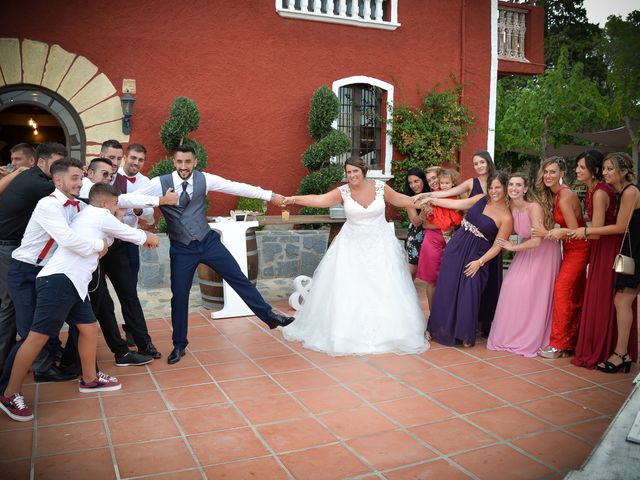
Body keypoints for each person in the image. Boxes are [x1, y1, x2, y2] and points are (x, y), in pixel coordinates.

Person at [0, 183, 159, 422]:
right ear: (105, 204)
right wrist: (148, 236)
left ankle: (89, 379)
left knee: (88, 328)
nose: (118, 209)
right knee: (36, 337)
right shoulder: (98, 214)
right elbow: (129, 233)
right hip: (60, 280)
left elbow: (110, 237)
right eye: (115, 205)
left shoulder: (87, 213)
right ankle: (9, 394)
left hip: (74, 282)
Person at [131, 144, 294, 364]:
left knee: (239, 278)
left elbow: (237, 187)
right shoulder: (159, 183)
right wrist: (160, 201)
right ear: (174, 162)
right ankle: (179, 345)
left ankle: (270, 317)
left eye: (188, 162)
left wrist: (270, 195)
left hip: (208, 242)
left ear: (195, 162)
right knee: (179, 296)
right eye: (179, 162)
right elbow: (127, 199)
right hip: (182, 248)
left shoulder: (204, 179)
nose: (184, 166)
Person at [280, 158, 428, 355]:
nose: (352, 175)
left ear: (363, 170)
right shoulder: (343, 191)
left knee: (384, 287)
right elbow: (320, 199)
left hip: (380, 246)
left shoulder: (380, 187)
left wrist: (427, 200)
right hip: (351, 248)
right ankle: (345, 333)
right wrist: (294, 199)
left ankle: (391, 333)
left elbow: (401, 199)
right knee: (350, 288)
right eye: (348, 172)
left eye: (355, 171)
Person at [0, 143, 70, 380]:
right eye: (57, 164)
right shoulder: (37, 184)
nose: (61, 170)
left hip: (13, 248)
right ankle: (34, 365)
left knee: (18, 308)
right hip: (9, 250)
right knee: (15, 309)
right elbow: (75, 196)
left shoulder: (33, 178)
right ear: (41, 163)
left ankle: (28, 359)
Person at [423, 171, 512, 347]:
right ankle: (438, 327)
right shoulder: (481, 199)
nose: (493, 191)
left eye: (498, 188)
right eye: (491, 187)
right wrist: (430, 199)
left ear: (505, 189)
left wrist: (480, 262)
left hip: (478, 255)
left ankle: (464, 332)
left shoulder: (506, 217)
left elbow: (497, 246)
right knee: (447, 288)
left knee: (469, 292)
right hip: (456, 248)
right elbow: (455, 203)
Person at [571, 152, 639, 373]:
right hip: (630, 249)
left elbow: (620, 227)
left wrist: (586, 231)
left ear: (624, 171)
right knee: (621, 300)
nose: (606, 172)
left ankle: (621, 354)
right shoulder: (621, 192)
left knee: (622, 301)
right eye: (606, 168)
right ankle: (622, 353)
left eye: (611, 169)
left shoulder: (630, 192)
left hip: (635, 252)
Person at [487, 173, 561, 356]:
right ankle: (511, 334)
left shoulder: (533, 207)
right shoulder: (508, 206)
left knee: (531, 291)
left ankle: (531, 336)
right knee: (509, 286)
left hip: (543, 252)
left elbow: (537, 241)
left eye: (518, 185)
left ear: (526, 188)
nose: (514, 188)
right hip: (525, 250)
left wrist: (513, 247)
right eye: (511, 184)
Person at [533, 157, 590, 359]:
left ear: (562, 174)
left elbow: (576, 232)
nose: (548, 176)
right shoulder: (558, 195)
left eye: (553, 172)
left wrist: (548, 233)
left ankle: (558, 344)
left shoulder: (565, 196)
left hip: (578, 250)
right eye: (546, 172)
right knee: (572, 295)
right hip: (570, 249)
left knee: (562, 292)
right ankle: (571, 342)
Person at [402, 168, 430, 279]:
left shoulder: (433, 193)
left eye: (416, 181)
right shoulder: (409, 199)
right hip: (417, 233)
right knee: (413, 268)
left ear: (424, 180)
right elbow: (415, 222)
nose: (413, 185)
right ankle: (406, 292)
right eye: (410, 183)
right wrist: (423, 212)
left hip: (434, 231)